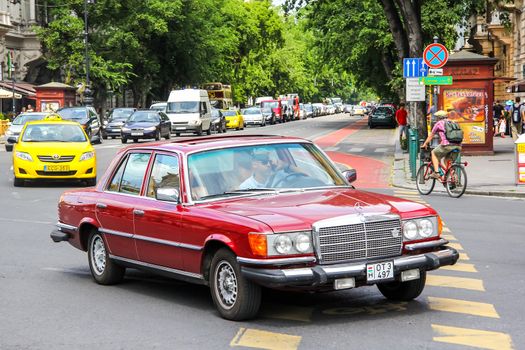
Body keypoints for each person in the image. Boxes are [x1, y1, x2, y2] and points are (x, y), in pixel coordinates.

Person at [421, 110, 462, 179]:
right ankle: (453, 177)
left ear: (439, 117)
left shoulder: (439, 123)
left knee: (433, 153)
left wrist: (425, 144)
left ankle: (436, 172)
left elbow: (431, 135)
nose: (436, 119)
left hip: (446, 145)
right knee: (447, 161)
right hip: (457, 145)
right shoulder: (453, 122)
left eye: (436, 117)